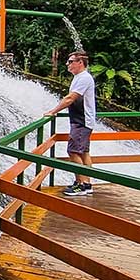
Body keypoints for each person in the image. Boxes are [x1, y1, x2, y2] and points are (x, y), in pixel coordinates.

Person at [43, 51, 96, 196]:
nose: (68, 64)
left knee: (73, 151)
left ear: (80, 63)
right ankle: (87, 183)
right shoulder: (79, 77)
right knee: (84, 152)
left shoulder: (84, 78)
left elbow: (70, 98)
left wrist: (53, 111)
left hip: (81, 121)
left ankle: (82, 185)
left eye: (71, 61)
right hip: (83, 120)